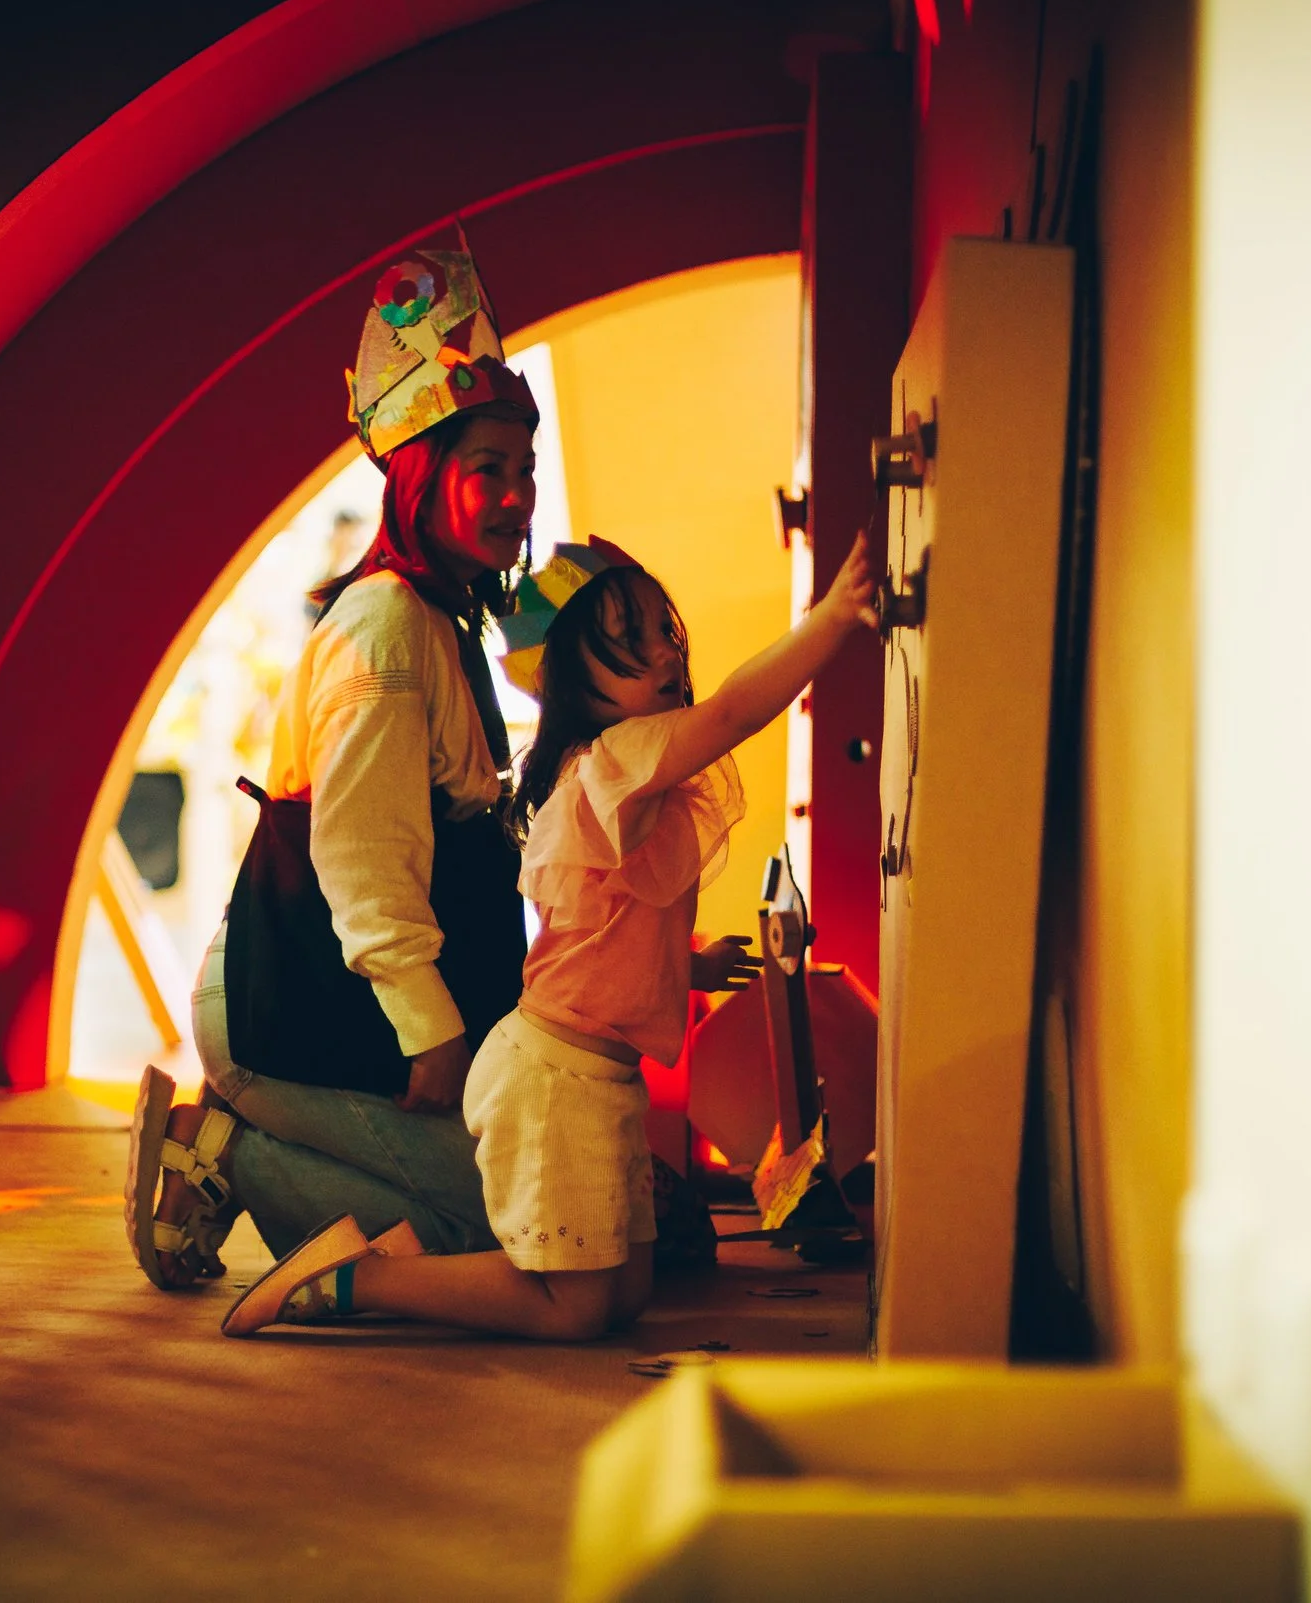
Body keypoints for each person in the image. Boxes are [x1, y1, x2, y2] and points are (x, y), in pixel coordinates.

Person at [219, 526, 882, 1339]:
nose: (665, 653)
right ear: (573, 676)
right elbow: (739, 709)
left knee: (625, 1295)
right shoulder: (620, 755)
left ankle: (375, 1267)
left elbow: (605, 922)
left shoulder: (613, 765)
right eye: (628, 641)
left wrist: (687, 961)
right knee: (571, 1310)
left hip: (591, 1074)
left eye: (662, 629)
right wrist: (834, 617)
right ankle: (361, 1280)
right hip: (554, 1076)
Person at [126, 246, 537, 1287]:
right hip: (301, 1017)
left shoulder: (441, 618)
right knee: (500, 1239)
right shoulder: (386, 626)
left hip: (347, 1013)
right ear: (421, 474)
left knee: (556, 1203)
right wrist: (431, 1033)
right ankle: (231, 1152)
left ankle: (250, 1147)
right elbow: (359, 859)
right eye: (488, 470)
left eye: (524, 472)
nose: (516, 498)